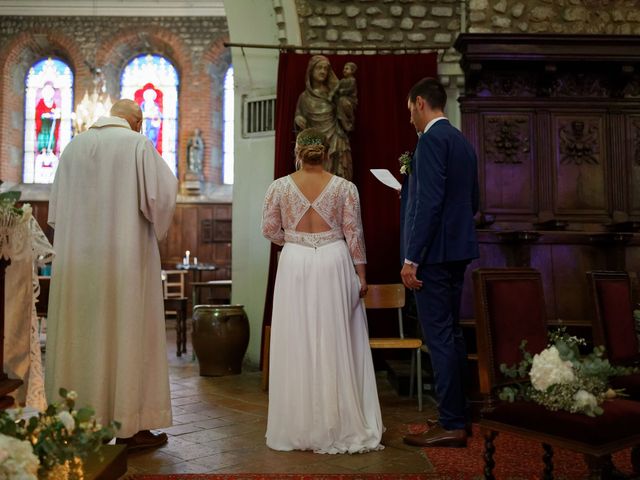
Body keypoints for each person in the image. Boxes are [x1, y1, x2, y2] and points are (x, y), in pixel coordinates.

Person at [45, 99, 178, 452]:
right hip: (125, 261)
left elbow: (55, 210)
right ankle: (128, 425)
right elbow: (162, 196)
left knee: (82, 338)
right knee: (127, 333)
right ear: (137, 122)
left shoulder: (73, 148)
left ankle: (75, 420)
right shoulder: (137, 145)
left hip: (78, 265)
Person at [262, 128, 383, 454]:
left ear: (297, 152)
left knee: (297, 339)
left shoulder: (279, 188)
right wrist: (361, 275)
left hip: (295, 263)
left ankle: (298, 426)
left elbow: (269, 229)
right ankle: (338, 420)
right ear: (327, 153)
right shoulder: (346, 188)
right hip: (334, 261)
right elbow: (354, 234)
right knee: (335, 338)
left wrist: (294, 241)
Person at [400, 77, 479, 448]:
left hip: (433, 256)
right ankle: (459, 412)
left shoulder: (430, 141)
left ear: (419, 103)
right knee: (454, 334)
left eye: (410, 111)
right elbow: (472, 201)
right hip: (458, 251)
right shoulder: (462, 141)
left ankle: (450, 422)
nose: (411, 120)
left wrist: (412, 257)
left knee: (439, 337)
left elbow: (429, 204)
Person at [294, 55, 353, 181]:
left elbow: (346, 115)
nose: (323, 71)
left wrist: (344, 104)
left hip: (335, 140)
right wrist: (298, 119)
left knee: (338, 178)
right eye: (319, 68)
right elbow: (299, 116)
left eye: (326, 69)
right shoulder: (304, 98)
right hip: (314, 144)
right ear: (311, 70)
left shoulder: (333, 94)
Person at [334, 62, 358, 133]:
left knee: (343, 102)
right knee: (340, 102)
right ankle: (341, 122)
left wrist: (342, 91)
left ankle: (349, 121)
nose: (344, 70)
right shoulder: (342, 81)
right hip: (341, 100)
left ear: (352, 71)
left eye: (347, 69)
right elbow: (336, 88)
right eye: (344, 68)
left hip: (350, 100)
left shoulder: (352, 80)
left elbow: (350, 89)